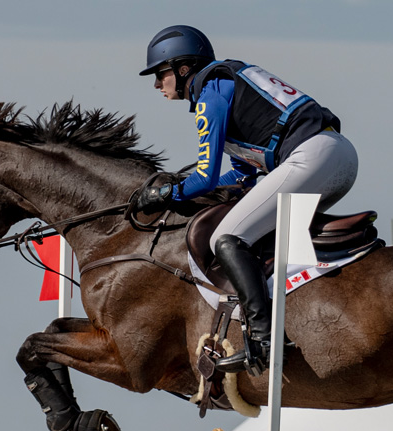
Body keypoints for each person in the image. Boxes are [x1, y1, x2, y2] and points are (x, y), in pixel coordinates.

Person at [134, 25, 359, 375]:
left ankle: (264, 337)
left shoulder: (211, 93)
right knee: (257, 233)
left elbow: (206, 175)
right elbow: (240, 176)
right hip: (333, 155)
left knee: (227, 238)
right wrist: (183, 190)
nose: (156, 84)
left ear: (182, 69)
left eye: (160, 74)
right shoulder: (226, 85)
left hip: (312, 155)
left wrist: (168, 193)